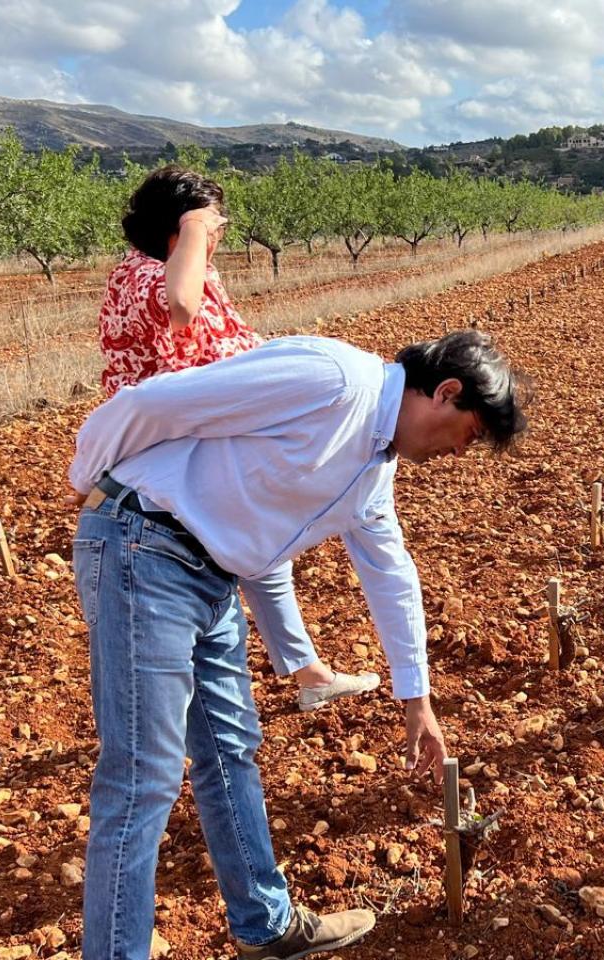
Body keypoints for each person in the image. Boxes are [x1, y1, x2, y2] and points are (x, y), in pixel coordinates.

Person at [67, 330, 530, 959]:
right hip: (143, 542)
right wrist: (89, 476)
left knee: (230, 752)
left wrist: (416, 699)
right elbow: (162, 402)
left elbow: (392, 576)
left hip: (211, 574)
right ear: (446, 394)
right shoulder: (335, 378)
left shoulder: (372, 470)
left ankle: (265, 925)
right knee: (143, 775)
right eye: (469, 435)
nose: (458, 453)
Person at [98, 165, 375, 712]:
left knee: (260, 551)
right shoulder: (146, 276)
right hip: (173, 448)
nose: (220, 233)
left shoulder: (188, 272)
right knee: (238, 552)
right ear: (182, 227)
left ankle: (306, 673)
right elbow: (180, 307)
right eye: (212, 223)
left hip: (208, 434)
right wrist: (197, 228)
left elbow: (231, 343)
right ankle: (208, 700)